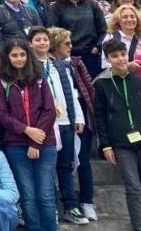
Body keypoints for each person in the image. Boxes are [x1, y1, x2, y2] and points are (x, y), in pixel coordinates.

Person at [94, 38, 141, 231]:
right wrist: (106, 145)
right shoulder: (102, 84)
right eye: (114, 56)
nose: (120, 59)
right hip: (120, 144)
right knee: (133, 187)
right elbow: (100, 118)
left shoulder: (140, 81)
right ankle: (139, 227)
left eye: (122, 55)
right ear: (107, 59)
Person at [0, 39, 58, 231]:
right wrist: (25, 130)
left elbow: (50, 111)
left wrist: (35, 143)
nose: (19, 58)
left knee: (45, 194)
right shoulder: (4, 82)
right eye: (14, 55)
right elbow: (1, 114)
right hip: (17, 145)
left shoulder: (39, 80)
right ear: (7, 58)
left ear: (28, 55)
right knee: (28, 195)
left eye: (22, 54)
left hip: (44, 143)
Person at [27, 27, 88, 225]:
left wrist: (77, 117)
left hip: (64, 122)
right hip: (43, 125)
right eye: (38, 40)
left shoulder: (60, 66)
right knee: (46, 168)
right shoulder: (28, 67)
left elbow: (71, 91)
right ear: (31, 43)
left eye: (45, 39)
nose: (42, 43)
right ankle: (50, 207)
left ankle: (70, 206)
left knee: (66, 165)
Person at [48, 27, 97, 221]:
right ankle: (56, 205)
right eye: (66, 43)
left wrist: (80, 117)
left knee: (73, 164)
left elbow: (79, 92)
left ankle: (78, 203)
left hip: (71, 120)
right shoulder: (40, 66)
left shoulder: (71, 64)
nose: (71, 46)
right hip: (50, 124)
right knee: (52, 166)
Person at [47, 0, 106, 78]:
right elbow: (53, 33)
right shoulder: (56, 8)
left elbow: (103, 29)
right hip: (70, 56)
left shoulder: (91, 4)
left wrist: (97, 47)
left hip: (92, 54)